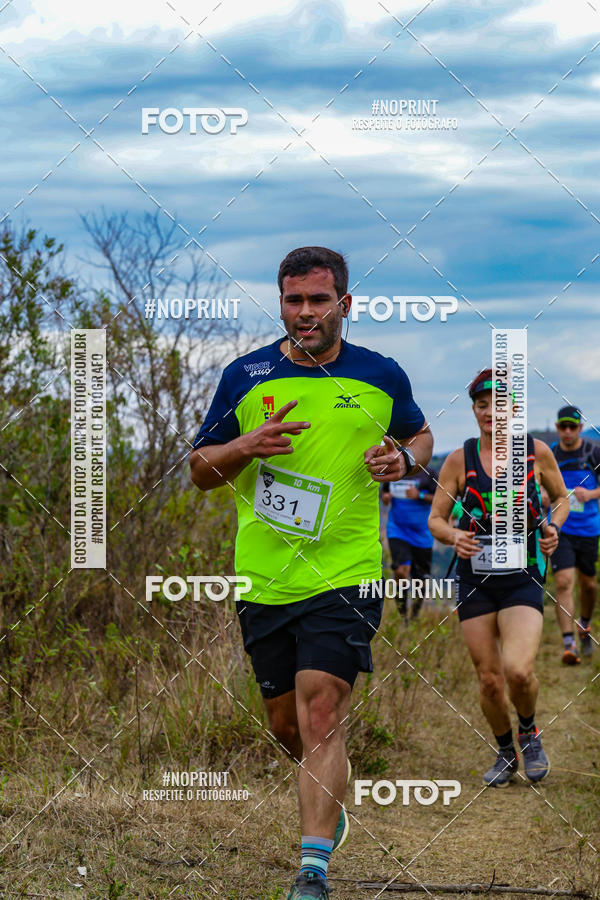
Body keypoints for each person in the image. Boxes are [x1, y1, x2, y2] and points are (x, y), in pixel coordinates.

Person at [190, 246, 432, 900]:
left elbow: (420, 435)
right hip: (264, 580)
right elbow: (200, 470)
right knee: (287, 726)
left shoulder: (381, 376)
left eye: (318, 300)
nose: (305, 313)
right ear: (281, 304)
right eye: (293, 300)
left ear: (344, 305)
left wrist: (402, 463)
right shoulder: (246, 375)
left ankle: (312, 870)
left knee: (322, 710)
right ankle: (330, 804)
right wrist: (245, 445)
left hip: (347, 574)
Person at [429, 369, 569, 787]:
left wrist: (552, 528)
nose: (491, 412)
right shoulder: (460, 459)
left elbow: (561, 498)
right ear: (474, 410)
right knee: (490, 681)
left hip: (522, 576)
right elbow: (435, 519)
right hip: (475, 581)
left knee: (518, 671)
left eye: (500, 405)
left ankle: (529, 731)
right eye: (482, 405)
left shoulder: (536, 452)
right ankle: (506, 750)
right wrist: (454, 535)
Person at [549, 406, 600, 663]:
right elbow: (537, 485)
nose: (567, 432)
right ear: (557, 428)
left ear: (580, 428)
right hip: (561, 528)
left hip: (589, 529)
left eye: (573, 426)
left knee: (589, 585)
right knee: (563, 582)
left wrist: (590, 495)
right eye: (563, 427)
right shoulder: (551, 454)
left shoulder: (593, 452)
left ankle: (584, 625)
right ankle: (569, 644)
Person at [381, 467, 438, 622]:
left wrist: (419, 495)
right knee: (400, 571)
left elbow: (439, 499)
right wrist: (385, 497)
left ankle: (414, 616)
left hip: (422, 534)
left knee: (421, 580)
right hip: (397, 529)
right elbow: (384, 492)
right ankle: (403, 618)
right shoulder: (395, 470)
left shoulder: (429, 474)